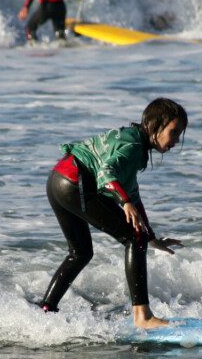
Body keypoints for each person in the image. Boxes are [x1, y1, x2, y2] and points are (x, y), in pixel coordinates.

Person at [38, 97, 187, 329]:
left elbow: (133, 194)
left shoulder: (132, 140)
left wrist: (151, 236)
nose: (176, 140)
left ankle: (46, 311)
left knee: (81, 252)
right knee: (133, 238)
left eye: (180, 134)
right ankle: (143, 317)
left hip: (58, 180)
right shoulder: (133, 146)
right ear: (152, 126)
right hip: (75, 181)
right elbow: (107, 174)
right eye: (173, 131)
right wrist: (124, 203)